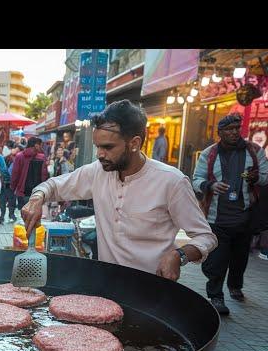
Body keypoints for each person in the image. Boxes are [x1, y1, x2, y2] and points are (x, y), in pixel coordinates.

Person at [22, 99, 217, 283]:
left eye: (107, 147)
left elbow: (206, 237)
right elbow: (54, 186)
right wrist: (37, 199)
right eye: (97, 146)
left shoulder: (172, 181)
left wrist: (179, 255)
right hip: (107, 284)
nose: (99, 154)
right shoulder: (98, 171)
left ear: (134, 143)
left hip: (153, 289)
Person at [193, 113, 268, 314]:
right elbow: (195, 180)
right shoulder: (209, 154)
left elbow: (265, 177)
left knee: (240, 258)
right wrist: (211, 185)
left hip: (245, 217)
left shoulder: (255, 151)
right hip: (216, 218)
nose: (234, 132)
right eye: (229, 129)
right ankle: (216, 297)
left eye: (237, 128)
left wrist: (255, 178)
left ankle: (235, 285)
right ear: (220, 133)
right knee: (217, 260)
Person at [10, 137, 48, 209]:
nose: (41, 147)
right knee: (35, 214)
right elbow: (44, 175)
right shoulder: (42, 157)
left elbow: (15, 174)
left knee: (24, 213)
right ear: (36, 145)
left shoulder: (19, 156)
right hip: (38, 191)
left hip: (23, 191)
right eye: (40, 145)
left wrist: (13, 187)